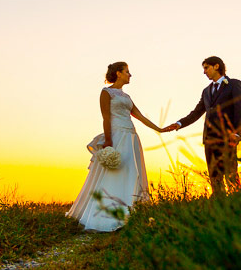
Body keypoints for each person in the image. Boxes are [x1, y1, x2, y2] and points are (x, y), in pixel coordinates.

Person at [67, 61, 168, 231]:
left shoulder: (127, 97)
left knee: (131, 172)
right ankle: (104, 217)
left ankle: (129, 213)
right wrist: (108, 141)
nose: (130, 75)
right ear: (118, 73)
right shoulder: (106, 93)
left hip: (131, 137)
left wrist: (160, 129)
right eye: (127, 71)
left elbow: (140, 116)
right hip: (116, 135)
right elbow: (106, 117)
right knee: (113, 173)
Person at [164, 56, 241, 197]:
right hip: (209, 139)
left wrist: (237, 133)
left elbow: (239, 108)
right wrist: (179, 123)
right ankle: (219, 205)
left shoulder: (234, 84)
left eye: (206, 68)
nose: (204, 72)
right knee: (214, 177)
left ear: (216, 66)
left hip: (228, 137)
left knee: (231, 174)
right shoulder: (206, 91)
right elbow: (196, 112)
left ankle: (238, 203)